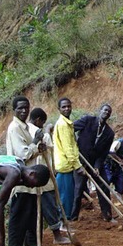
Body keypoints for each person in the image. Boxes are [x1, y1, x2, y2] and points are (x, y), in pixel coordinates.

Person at [5, 96, 44, 246]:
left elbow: (31, 151)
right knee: (19, 215)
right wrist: (35, 143)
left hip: (30, 178)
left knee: (32, 214)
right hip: (20, 179)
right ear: (14, 110)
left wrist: (38, 148)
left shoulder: (26, 127)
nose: (24, 111)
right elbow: (22, 154)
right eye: (20, 108)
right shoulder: (14, 128)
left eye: (26, 107)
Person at [28, 107, 70, 245]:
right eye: (42, 122)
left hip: (32, 176)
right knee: (49, 205)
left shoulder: (25, 129)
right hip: (41, 176)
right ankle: (56, 236)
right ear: (38, 120)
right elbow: (46, 144)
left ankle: (30, 242)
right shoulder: (36, 132)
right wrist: (47, 131)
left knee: (35, 209)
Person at [73, 103, 115, 221]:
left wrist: (97, 166)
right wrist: (74, 141)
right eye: (105, 110)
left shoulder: (109, 133)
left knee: (104, 185)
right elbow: (70, 128)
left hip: (96, 162)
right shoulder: (87, 120)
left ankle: (107, 215)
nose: (106, 113)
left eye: (109, 112)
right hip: (81, 161)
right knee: (79, 188)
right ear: (99, 110)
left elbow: (103, 153)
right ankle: (73, 216)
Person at [53, 97, 85, 227]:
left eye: (68, 106)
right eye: (63, 107)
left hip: (66, 165)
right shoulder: (63, 125)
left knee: (67, 196)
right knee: (65, 198)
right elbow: (68, 148)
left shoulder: (67, 123)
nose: (67, 109)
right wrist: (78, 165)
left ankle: (64, 224)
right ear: (59, 109)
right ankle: (62, 225)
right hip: (65, 166)